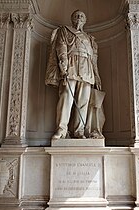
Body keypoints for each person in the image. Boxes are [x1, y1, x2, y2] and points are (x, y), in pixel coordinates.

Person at [45, 10, 104, 139]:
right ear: (72, 19)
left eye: (82, 16)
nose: (79, 17)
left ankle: (79, 131)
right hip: (71, 66)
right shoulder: (65, 31)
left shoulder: (90, 38)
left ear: (85, 20)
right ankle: (61, 129)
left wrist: (97, 76)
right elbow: (61, 48)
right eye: (76, 15)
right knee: (66, 98)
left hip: (87, 69)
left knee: (83, 102)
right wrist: (63, 68)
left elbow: (94, 59)